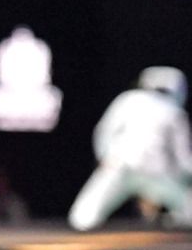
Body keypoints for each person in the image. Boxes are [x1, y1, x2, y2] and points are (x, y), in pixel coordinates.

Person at [68, 66, 192, 231]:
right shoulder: (173, 112)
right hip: (138, 170)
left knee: (82, 220)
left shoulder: (128, 100)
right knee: (83, 218)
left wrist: (104, 157)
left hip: (131, 169)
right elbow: (183, 158)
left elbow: (104, 130)